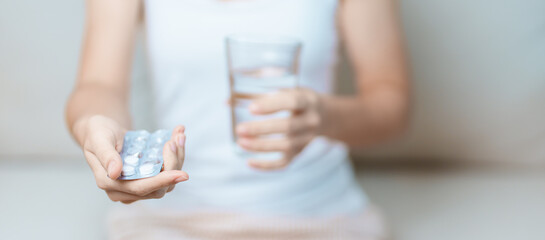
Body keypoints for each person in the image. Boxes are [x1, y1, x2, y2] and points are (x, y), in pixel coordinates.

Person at [65, 0, 409, 239]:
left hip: (320, 216)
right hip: (170, 218)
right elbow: (99, 85)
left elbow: (393, 103)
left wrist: (324, 117)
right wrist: (93, 125)